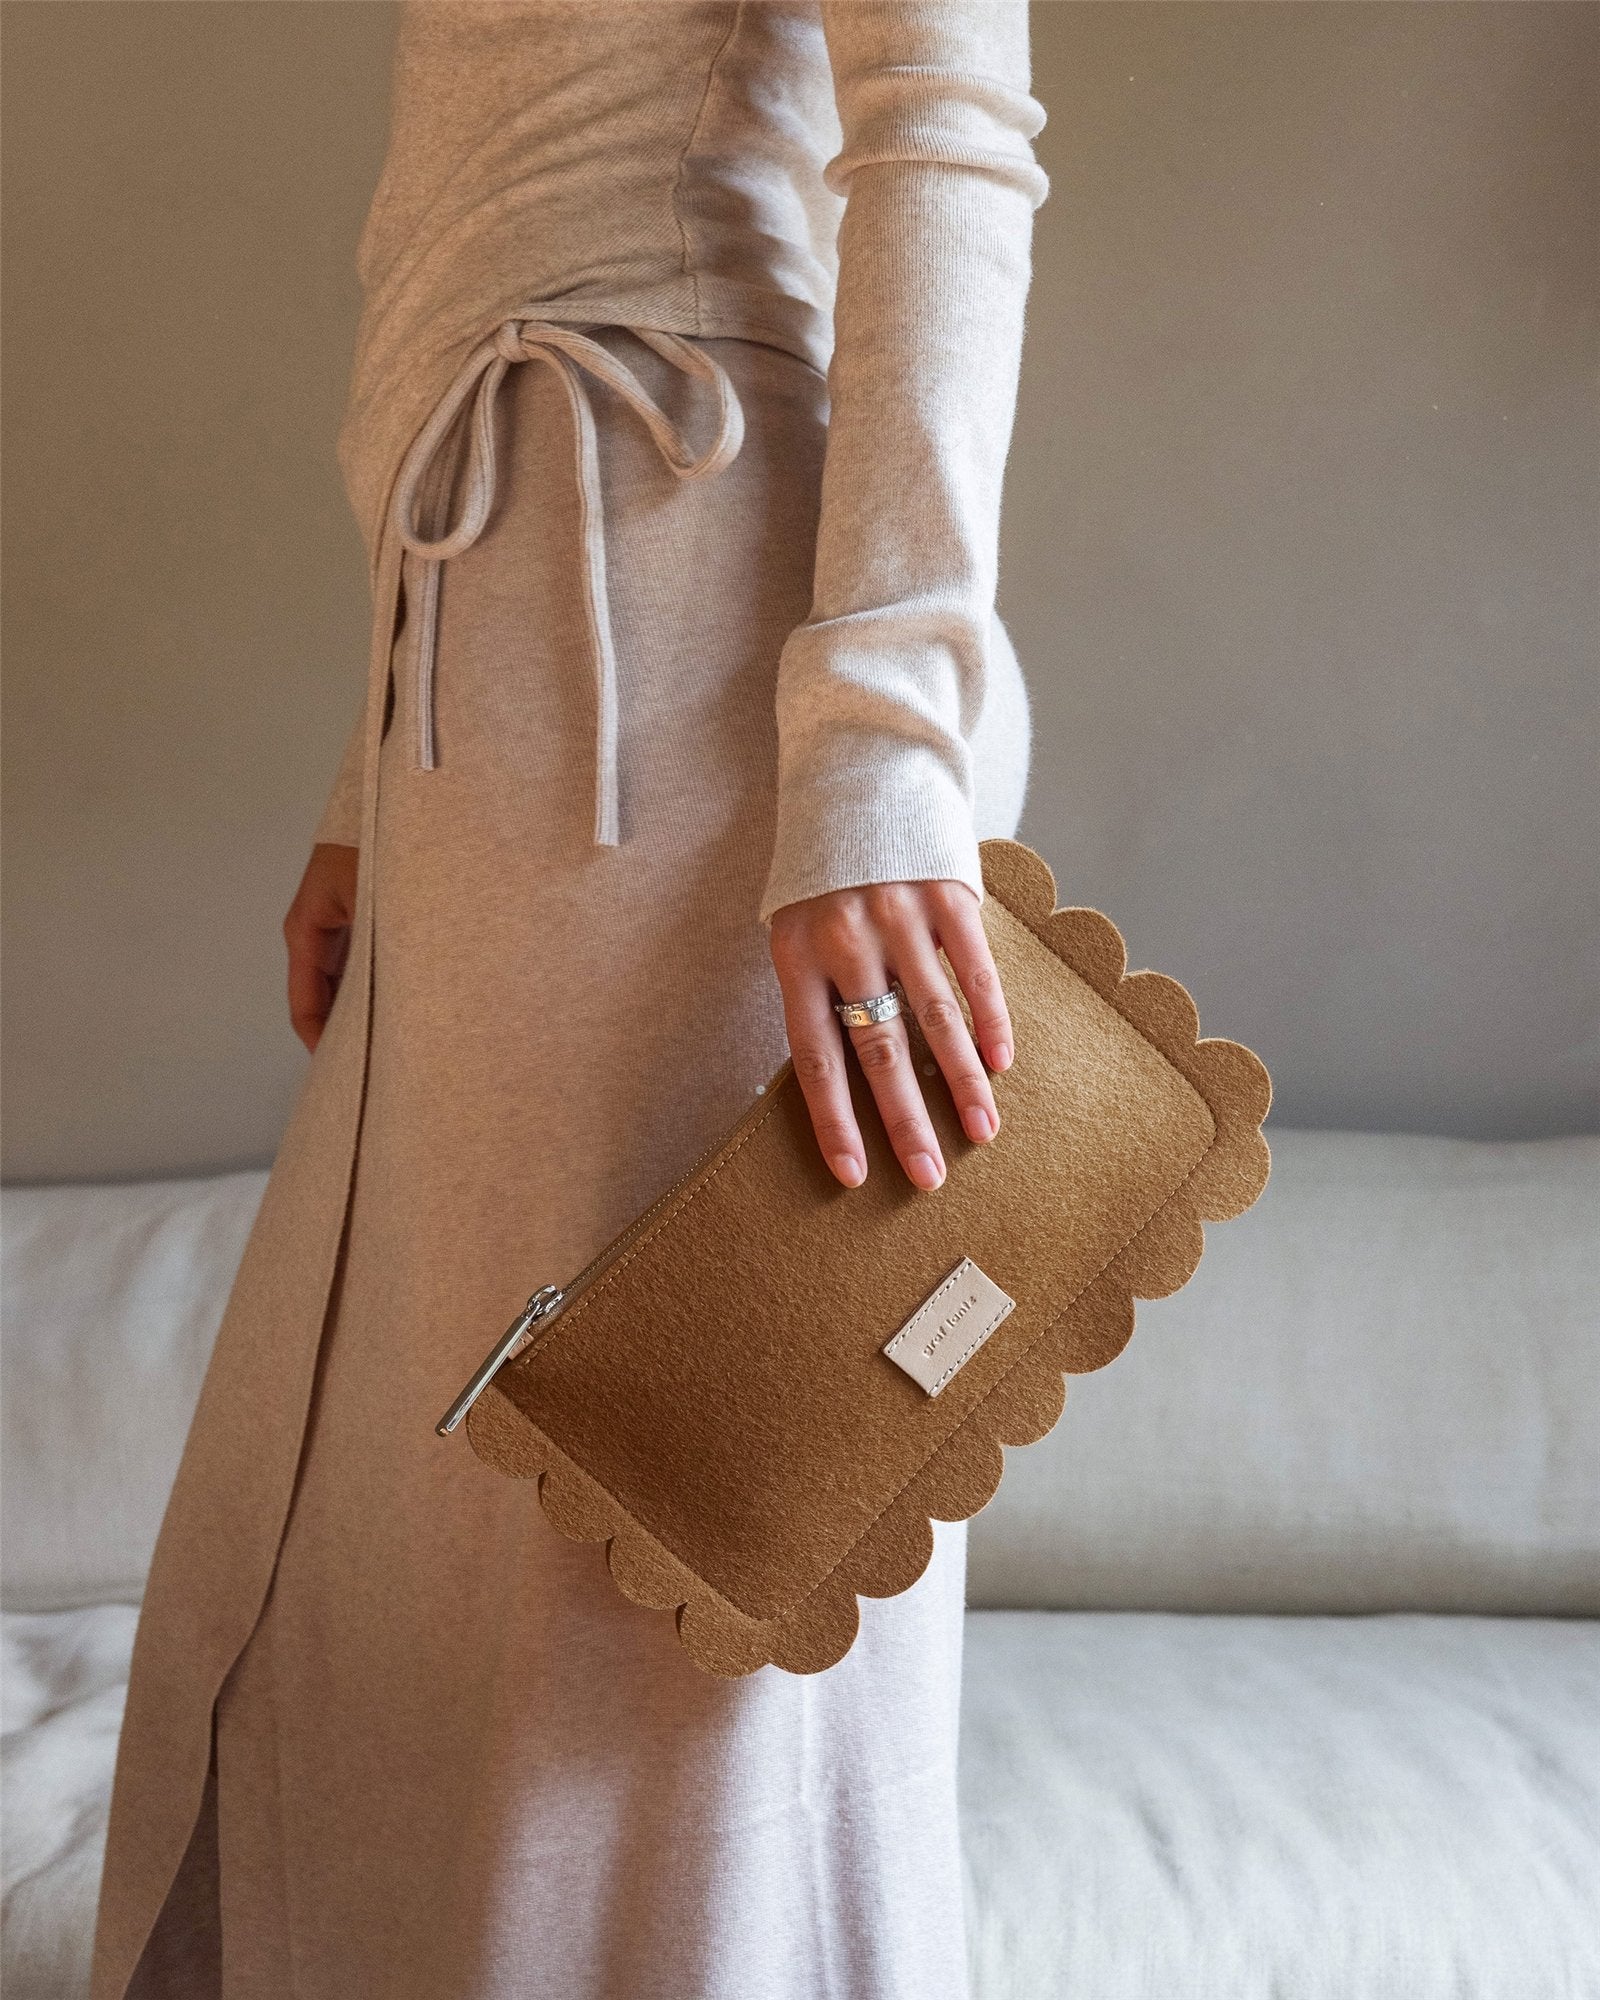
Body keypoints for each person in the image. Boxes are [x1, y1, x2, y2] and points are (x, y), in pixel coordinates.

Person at [89, 5, 1049, 1995]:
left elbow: (943, 119)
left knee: (667, 1533)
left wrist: (880, 747)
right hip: (517, 653)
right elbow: (490, 194)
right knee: (427, 1514)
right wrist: (376, 764)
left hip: (673, 656)